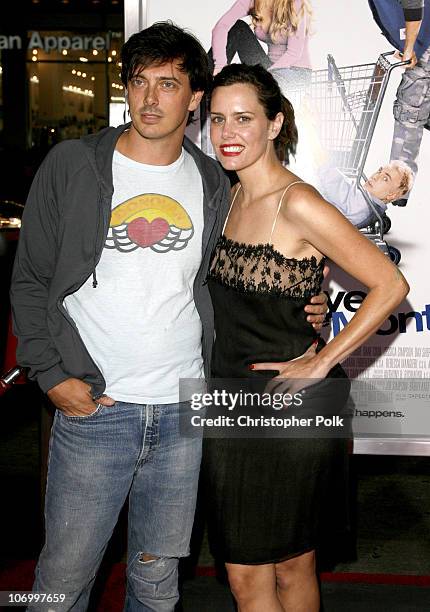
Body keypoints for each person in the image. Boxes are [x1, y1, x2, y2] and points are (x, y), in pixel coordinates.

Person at [10, 22, 328, 612]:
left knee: (157, 582)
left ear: (195, 97)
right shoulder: (73, 164)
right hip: (96, 409)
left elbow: (255, 268)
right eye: (139, 82)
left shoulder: (214, 182)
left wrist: (312, 304)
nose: (150, 98)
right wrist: (52, 376)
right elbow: (29, 281)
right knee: (60, 580)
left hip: (185, 411)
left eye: (168, 83)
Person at [202, 63, 409, 612]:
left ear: (275, 124)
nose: (228, 132)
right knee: (266, 570)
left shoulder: (300, 203)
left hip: (294, 407)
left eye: (244, 118)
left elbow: (390, 284)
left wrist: (320, 364)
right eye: (218, 119)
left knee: (272, 571)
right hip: (229, 402)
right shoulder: (225, 197)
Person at [368, 0, 429, 206]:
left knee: (409, 111)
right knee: (412, 110)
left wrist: (410, 47)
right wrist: (404, 46)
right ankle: (398, 191)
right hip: (423, 42)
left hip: (425, 44)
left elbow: (413, 5)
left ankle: (396, 191)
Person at [211, 0, 312, 90]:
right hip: (269, 68)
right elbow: (221, 26)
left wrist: (266, 75)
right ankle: (201, 85)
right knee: (239, 28)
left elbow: (294, 53)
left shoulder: (295, 3)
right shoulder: (253, 1)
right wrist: (220, 65)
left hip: (294, 71)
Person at [316, 160, 414, 227]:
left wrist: (322, 162)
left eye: (385, 179)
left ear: (391, 195)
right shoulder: (370, 202)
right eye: (380, 171)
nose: (376, 176)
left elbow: (332, 181)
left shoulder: (361, 205)